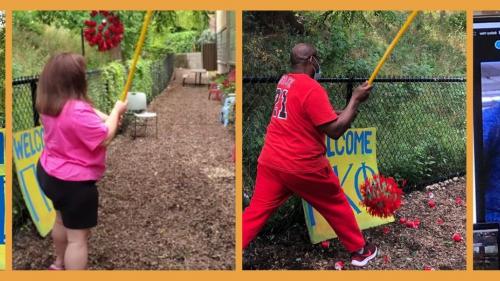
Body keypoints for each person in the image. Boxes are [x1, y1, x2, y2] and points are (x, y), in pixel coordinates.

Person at [242, 43, 377, 267]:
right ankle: (360, 251)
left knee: (255, 212)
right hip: (303, 166)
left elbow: (314, 115)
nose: (319, 65)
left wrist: (347, 110)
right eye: (318, 60)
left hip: (271, 162)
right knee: (336, 203)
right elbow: (334, 131)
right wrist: (355, 100)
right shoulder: (312, 88)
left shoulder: (285, 81)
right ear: (311, 60)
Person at [35, 53, 128, 270]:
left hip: (49, 174)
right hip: (73, 184)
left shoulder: (48, 105)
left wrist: (108, 117)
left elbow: (87, 114)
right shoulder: (77, 112)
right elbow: (105, 137)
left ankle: (58, 264)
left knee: (59, 220)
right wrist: (116, 112)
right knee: (77, 239)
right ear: (75, 81)